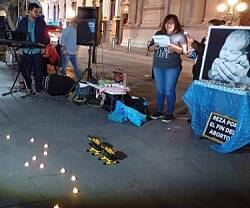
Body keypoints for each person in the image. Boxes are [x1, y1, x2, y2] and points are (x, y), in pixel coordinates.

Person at [148, 14, 188, 123]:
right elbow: (150, 48)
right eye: (167, 22)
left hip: (172, 67)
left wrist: (174, 47)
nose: (168, 25)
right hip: (158, 66)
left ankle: (169, 113)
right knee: (160, 90)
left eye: (171, 22)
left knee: (169, 90)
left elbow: (184, 51)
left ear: (176, 24)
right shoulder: (158, 34)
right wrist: (154, 47)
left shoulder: (180, 36)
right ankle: (159, 110)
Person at [16, 3, 48, 93]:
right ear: (29, 11)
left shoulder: (41, 22)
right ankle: (28, 87)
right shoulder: (23, 22)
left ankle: (38, 88)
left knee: (39, 72)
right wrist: (19, 47)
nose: (37, 13)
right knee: (26, 72)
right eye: (35, 11)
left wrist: (44, 47)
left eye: (38, 11)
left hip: (37, 51)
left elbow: (46, 35)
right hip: (26, 51)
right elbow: (18, 35)